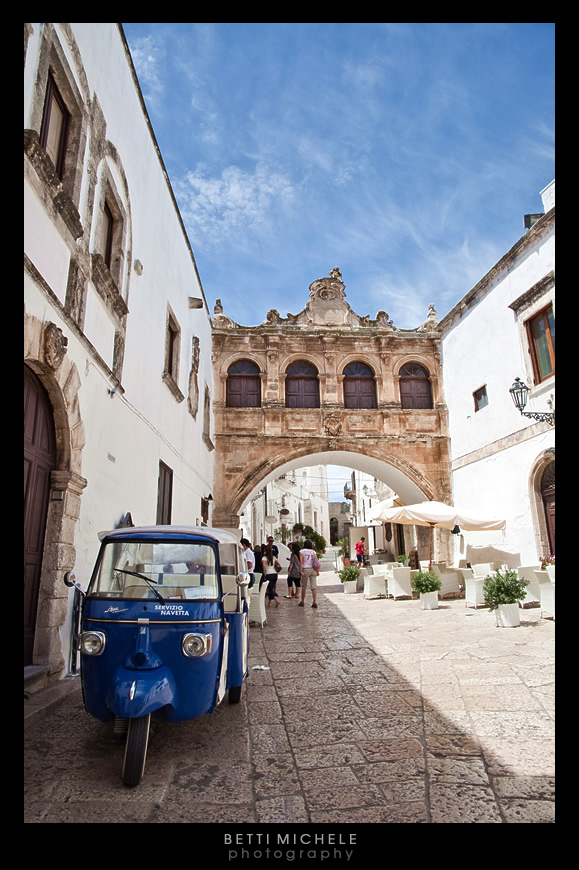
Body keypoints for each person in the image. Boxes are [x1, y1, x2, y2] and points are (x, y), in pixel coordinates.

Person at [299, 539, 319, 608]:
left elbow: (301, 561)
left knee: (304, 586)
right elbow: (316, 561)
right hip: (313, 569)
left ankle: (302, 601)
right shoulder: (313, 552)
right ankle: (314, 602)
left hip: (306, 569)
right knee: (313, 587)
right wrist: (317, 570)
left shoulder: (301, 551)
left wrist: (301, 570)